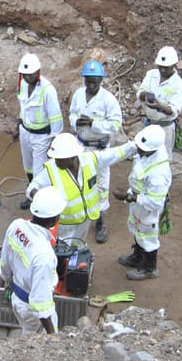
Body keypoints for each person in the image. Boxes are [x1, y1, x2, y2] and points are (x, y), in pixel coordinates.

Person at [25, 133, 135, 244]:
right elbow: (31, 188)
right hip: (65, 224)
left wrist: (135, 146)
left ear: (72, 157)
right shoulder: (50, 170)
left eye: (59, 159)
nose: (56, 161)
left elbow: (115, 154)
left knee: (79, 246)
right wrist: (40, 196)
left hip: (85, 219)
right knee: (63, 250)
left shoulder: (90, 160)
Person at [0, 186, 67, 334]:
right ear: (55, 219)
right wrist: (52, 334)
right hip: (31, 310)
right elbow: (41, 305)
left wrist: (4, 279)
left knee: (27, 332)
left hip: (17, 299)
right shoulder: (44, 255)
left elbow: (5, 261)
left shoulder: (16, 225)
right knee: (34, 341)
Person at [68, 59, 123, 243]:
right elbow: (72, 114)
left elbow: (115, 125)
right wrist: (77, 122)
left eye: (95, 81)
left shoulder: (108, 100)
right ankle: (82, 212)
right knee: (81, 180)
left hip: (99, 148)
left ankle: (100, 219)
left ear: (101, 81)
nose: (91, 85)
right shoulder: (78, 95)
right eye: (88, 81)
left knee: (101, 183)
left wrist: (94, 124)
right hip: (81, 145)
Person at [113, 125, 171, 280]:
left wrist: (129, 197)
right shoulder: (147, 150)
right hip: (138, 200)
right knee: (137, 228)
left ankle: (149, 268)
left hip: (147, 206)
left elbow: (155, 202)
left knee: (148, 235)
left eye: (141, 148)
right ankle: (138, 257)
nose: (138, 149)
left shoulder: (159, 174)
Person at [15, 53, 64, 209]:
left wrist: (53, 142)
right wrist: (18, 126)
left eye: (31, 75)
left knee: (39, 171)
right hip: (25, 131)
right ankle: (31, 194)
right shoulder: (22, 84)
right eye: (25, 75)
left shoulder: (47, 90)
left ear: (38, 72)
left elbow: (56, 118)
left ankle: (40, 202)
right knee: (28, 166)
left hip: (41, 136)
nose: (28, 78)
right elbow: (24, 107)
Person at [137, 46, 182, 159]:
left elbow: (173, 110)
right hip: (149, 125)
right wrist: (145, 96)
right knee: (145, 154)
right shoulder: (151, 75)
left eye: (166, 67)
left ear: (174, 65)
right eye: (160, 67)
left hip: (165, 128)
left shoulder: (178, 85)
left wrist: (160, 107)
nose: (162, 70)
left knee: (162, 159)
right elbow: (141, 91)